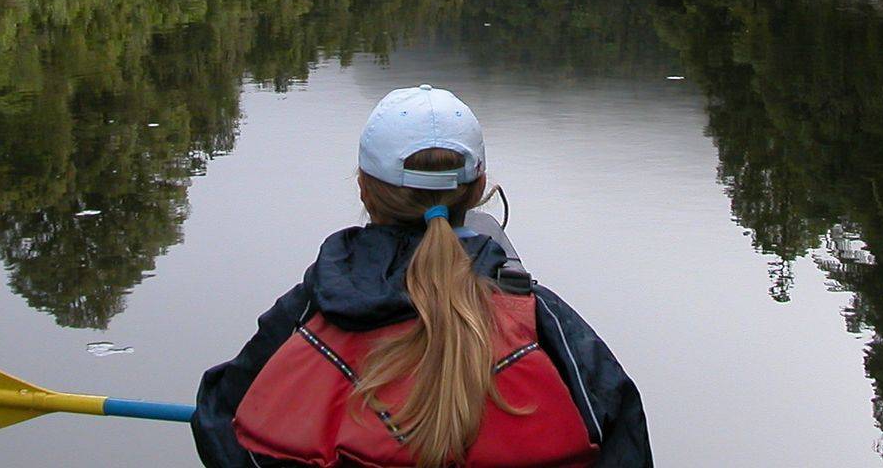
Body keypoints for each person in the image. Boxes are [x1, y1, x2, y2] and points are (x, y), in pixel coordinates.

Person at [193, 85, 651, 468]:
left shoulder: (311, 308)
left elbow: (219, 415)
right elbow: (621, 433)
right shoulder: (538, 314)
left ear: (364, 190)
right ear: (477, 189)